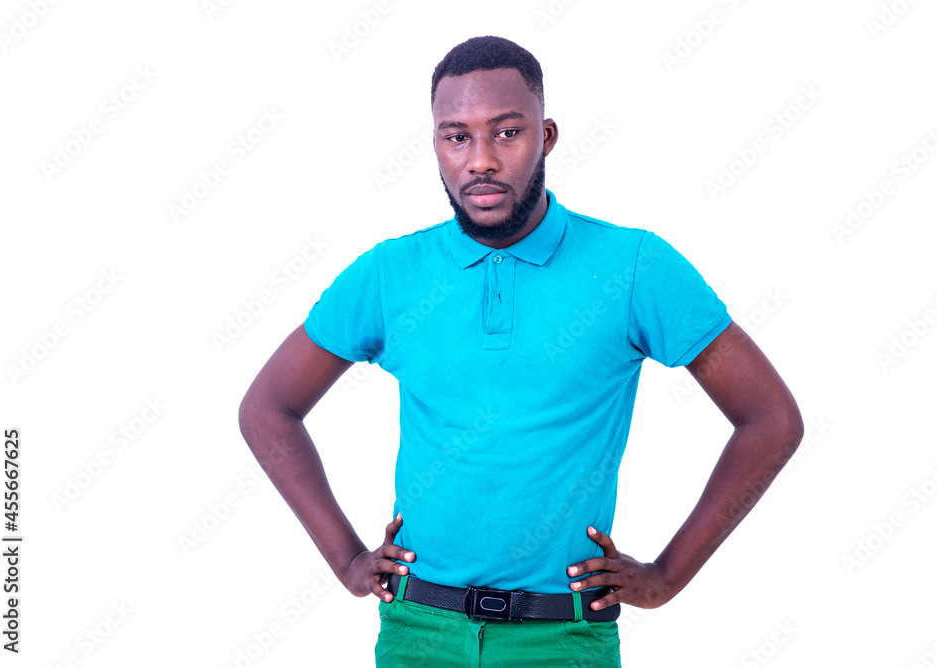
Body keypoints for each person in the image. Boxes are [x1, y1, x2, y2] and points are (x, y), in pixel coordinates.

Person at [238, 35, 804, 668]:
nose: (480, 159)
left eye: (507, 133)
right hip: (418, 633)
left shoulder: (635, 267)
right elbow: (267, 409)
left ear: (547, 136)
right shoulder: (389, 274)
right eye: (457, 137)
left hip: (561, 640)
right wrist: (346, 559)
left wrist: (667, 576)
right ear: (436, 144)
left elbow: (770, 420)